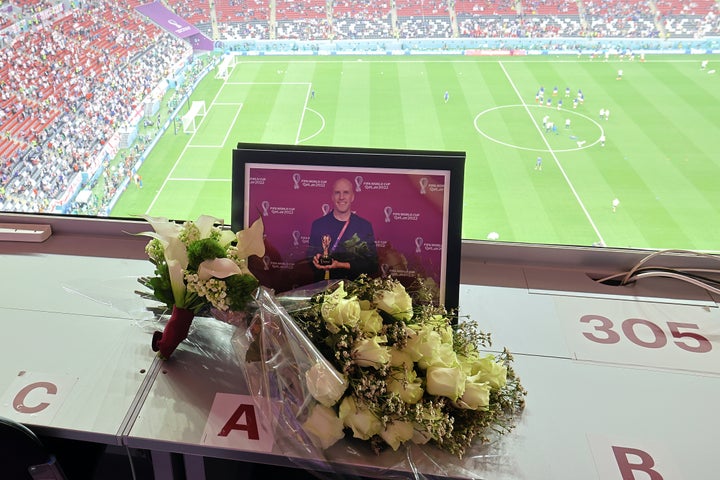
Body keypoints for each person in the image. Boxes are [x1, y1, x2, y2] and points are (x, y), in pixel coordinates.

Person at [308, 177, 378, 281]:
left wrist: (341, 265)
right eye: (337, 193)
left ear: (352, 197)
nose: (341, 197)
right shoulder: (318, 225)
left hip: (354, 290)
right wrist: (315, 259)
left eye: (346, 192)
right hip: (324, 289)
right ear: (332, 197)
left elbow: (372, 265)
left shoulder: (364, 226)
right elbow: (309, 260)